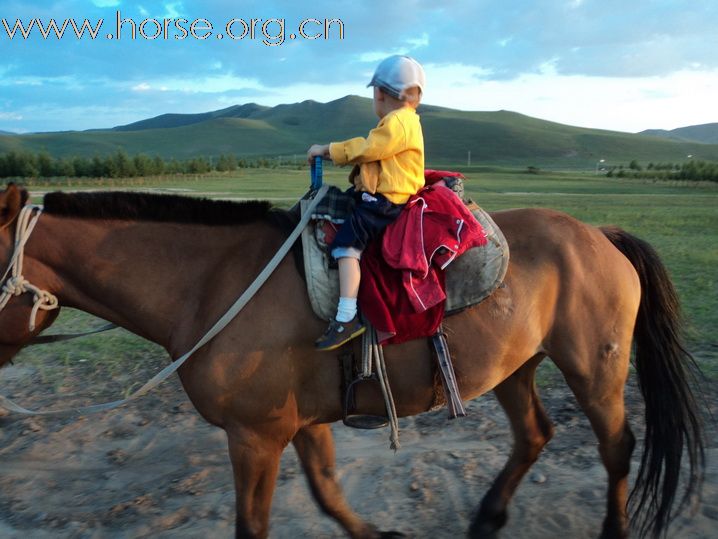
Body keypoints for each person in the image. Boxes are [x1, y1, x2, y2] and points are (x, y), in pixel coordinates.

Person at [307, 55, 426, 351]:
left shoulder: (397, 122)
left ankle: (347, 316)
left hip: (384, 202)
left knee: (346, 246)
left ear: (380, 93)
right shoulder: (408, 120)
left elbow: (370, 148)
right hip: (381, 195)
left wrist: (327, 149)